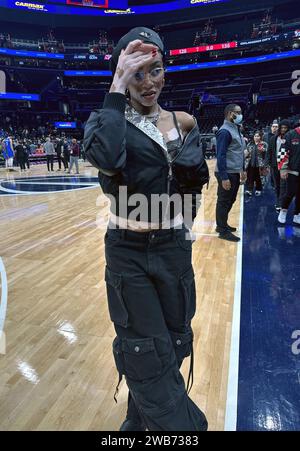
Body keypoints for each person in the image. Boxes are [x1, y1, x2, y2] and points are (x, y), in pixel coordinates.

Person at [84, 27, 209, 432]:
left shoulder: (184, 121)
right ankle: (187, 431)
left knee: (174, 341)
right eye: (137, 73)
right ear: (122, 76)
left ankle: (136, 424)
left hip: (173, 247)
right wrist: (117, 84)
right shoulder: (107, 119)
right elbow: (105, 155)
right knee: (143, 349)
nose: (149, 82)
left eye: (155, 70)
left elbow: (194, 185)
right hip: (128, 250)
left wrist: (181, 230)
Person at [215, 104, 247, 242]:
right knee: (224, 201)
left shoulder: (235, 129)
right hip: (226, 173)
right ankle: (222, 230)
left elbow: (237, 153)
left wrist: (242, 169)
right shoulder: (224, 131)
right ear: (229, 113)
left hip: (234, 171)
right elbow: (220, 155)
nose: (240, 115)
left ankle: (222, 224)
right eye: (237, 112)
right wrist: (224, 177)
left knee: (231, 199)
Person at [278, 121, 300, 225]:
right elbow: (282, 152)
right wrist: (283, 168)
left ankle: (297, 214)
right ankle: (283, 211)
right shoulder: (290, 134)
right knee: (290, 193)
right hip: (292, 170)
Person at [266, 120, 290, 211]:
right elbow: (269, 152)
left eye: (285, 128)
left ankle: (281, 203)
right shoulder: (273, 138)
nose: (283, 129)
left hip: (286, 165)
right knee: (277, 185)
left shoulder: (290, 138)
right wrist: (266, 164)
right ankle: (279, 201)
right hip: (274, 165)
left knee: (283, 185)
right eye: (282, 127)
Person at [245, 131, 268, 196]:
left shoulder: (264, 144)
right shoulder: (250, 144)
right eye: (255, 136)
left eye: (258, 136)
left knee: (259, 178)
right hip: (250, 164)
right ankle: (249, 190)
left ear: (260, 137)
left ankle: (258, 189)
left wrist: (264, 151)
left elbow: (267, 154)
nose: (256, 137)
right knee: (250, 177)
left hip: (260, 165)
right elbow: (246, 153)